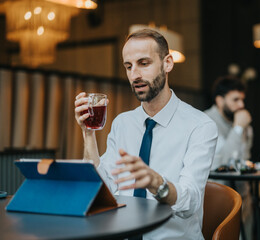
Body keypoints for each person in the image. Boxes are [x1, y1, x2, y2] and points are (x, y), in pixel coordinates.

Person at [74, 29, 218, 240]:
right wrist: (88, 133)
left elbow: (191, 201)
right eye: (128, 66)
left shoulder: (200, 126)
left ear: (167, 63)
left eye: (144, 63)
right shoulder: (122, 123)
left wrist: (157, 184)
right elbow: (101, 188)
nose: (135, 75)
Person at [204, 76, 253, 240]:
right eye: (235, 99)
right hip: (218, 199)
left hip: (243, 196)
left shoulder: (243, 124)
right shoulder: (205, 123)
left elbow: (244, 160)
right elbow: (224, 163)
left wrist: (242, 129)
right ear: (219, 100)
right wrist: (238, 129)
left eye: (242, 100)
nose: (242, 105)